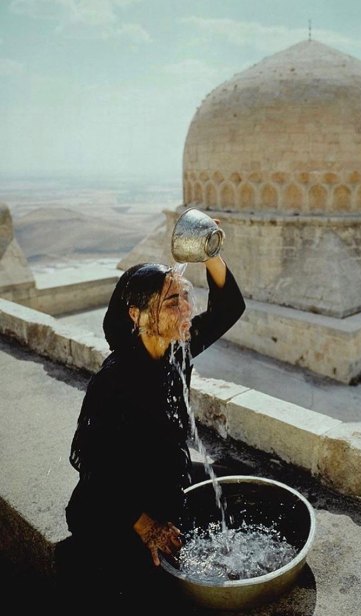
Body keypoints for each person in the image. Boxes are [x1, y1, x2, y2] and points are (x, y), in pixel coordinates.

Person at [54, 233, 245, 608]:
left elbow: (229, 307)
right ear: (137, 314)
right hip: (115, 506)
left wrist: (211, 252)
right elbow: (91, 462)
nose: (186, 309)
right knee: (147, 590)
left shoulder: (178, 349)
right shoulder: (115, 379)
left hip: (162, 477)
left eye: (185, 297)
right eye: (172, 301)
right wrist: (147, 526)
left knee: (238, 484)